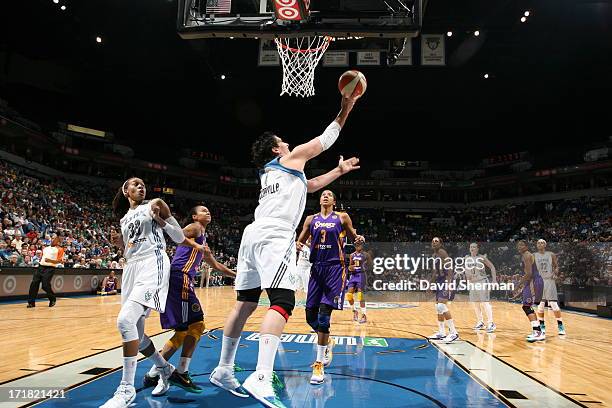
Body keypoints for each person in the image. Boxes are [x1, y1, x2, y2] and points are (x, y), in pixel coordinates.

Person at [209, 94, 360, 408]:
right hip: (275, 235)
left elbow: (310, 184)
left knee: (245, 302)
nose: (288, 143)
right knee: (282, 301)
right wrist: (346, 108)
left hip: (253, 234)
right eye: (283, 141)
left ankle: (224, 368)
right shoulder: (288, 159)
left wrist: (338, 172)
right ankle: (262, 377)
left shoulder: (273, 171)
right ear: (276, 148)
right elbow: (325, 139)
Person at [99, 178, 207, 408]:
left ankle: (126, 389)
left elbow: (179, 238)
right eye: (135, 184)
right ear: (125, 191)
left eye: (142, 185)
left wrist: (161, 220)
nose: (141, 187)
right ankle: (165, 369)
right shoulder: (124, 218)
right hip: (131, 268)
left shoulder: (155, 203)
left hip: (153, 263)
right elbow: (131, 247)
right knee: (136, 335)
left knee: (124, 321)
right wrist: (120, 243)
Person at [143, 205, 236, 393]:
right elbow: (177, 234)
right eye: (203, 210)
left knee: (183, 331)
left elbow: (216, 265)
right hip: (180, 277)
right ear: (194, 216)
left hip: (181, 280)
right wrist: (159, 221)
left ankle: (155, 372)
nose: (207, 212)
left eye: (209, 210)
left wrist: (236, 275)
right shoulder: (195, 227)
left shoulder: (203, 238)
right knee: (196, 326)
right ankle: (180, 372)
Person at [296, 190, 364, 385]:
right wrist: (298, 245)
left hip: (335, 268)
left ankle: (318, 364)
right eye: (323, 194)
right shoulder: (311, 219)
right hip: (316, 268)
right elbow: (300, 240)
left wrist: (359, 239)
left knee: (324, 315)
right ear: (319, 200)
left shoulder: (342, 217)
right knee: (310, 315)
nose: (325, 196)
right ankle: (326, 341)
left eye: (329, 194)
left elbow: (354, 237)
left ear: (334, 200)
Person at [428, 237, 459, 344]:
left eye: (436, 241)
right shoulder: (434, 255)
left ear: (440, 244)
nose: (434, 243)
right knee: (438, 307)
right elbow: (435, 272)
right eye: (432, 241)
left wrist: (449, 283)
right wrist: (430, 284)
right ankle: (441, 332)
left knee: (441, 305)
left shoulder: (442, 252)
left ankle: (454, 333)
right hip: (439, 281)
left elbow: (450, 267)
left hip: (446, 280)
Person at [513, 240, 545, 342]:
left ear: (526, 246)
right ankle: (537, 331)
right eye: (518, 245)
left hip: (534, 281)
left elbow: (529, 274)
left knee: (527, 306)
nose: (519, 247)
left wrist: (517, 286)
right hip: (532, 281)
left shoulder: (527, 255)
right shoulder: (527, 255)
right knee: (527, 306)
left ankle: (538, 332)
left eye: (522, 245)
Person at [534, 239, 566, 335]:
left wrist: (556, 271)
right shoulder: (533, 256)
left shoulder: (551, 254)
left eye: (542, 242)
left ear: (545, 245)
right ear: (536, 245)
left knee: (553, 304)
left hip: (549, 281)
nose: (540, 244)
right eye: (539, 243)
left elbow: (556, 266)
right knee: (541, 305)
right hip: (539, 281)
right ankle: (542, 326)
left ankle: (560, 326)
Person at [463, 243, 497, 333]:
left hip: (482, 281)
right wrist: (467, 280)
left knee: (485, 303)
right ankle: (480, 322)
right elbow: (466, 271)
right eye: (471, 247)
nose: (472, 248)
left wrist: (494, 280)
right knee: (476, 304)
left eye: (474, 247)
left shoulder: (482, 257)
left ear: (478, 249)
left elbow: (492, 267)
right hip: (472, 283)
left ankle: (491, 323)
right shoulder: (466, 258)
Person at [27, 235, 64, 308]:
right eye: (52, 238)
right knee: (34, 284)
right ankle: (31, 302)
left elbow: (59, 261)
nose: (53, 240)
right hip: (41, 267)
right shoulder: (46, 248)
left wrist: (50, 260)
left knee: (45, 285)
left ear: (58, 241)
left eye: (55, 239)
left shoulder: (60, 249)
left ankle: (52, 298)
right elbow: (42, 257)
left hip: (50, 268)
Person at [347, 242, 370, 324]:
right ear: (354, 246)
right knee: (349, 296)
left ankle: (364, 315)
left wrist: (365, 267)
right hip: (353, 275)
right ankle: (355, 311)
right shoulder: (352, 255)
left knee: (360, 296)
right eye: (356, 245)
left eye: (359, 244)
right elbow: (350, 266)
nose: (358, 246)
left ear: (362, 245)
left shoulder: (366, 255)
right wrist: (351, 268)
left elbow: (370, 265)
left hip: (361, 275)